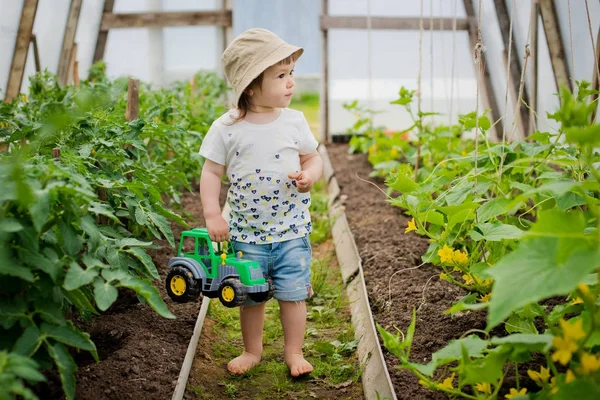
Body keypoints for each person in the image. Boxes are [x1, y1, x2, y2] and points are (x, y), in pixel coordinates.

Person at [199, 28, 323, 377]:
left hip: (291, 231)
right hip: (247, 233)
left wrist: (310, 174)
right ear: (251, 85)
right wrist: (212, 213)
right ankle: (252, 350)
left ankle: (294, 352)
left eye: (291, 74)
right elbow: (211, 173)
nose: (291, 83)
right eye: (281, 75)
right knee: (251, 296)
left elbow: (313, 159)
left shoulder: (294, 121)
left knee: (292, 294)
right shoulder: (227, 127)